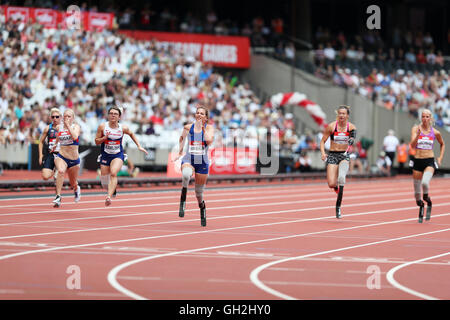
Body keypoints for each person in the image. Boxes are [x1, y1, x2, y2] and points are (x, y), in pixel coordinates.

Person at [95, 106, 148, 206]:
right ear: (108, 115)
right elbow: (96, 141)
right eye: (111, 113)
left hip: (117, 155)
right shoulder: (102, 127)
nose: (113, 115)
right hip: (105, 155)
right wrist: (104, 138)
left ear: (119, 117)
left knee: (113, 173)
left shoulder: (123, 128)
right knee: (104, 182)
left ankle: (108, 197)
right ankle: (111, 189)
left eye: (115, 114)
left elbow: (132, 134)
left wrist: (139, 146)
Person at [174, 105, 214, 227]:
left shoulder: (209, 128)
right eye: (197, 113)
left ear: (206, 118)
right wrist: (180, 151)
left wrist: (202, 128)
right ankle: (183, 197)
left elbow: (208, 141)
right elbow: (182, 138)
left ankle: (202, 207)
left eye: (202, 114)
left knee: (199, 194)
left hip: (202, 162)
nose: (199, 115)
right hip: (189, 158)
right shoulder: (188, 127)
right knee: (186, 175)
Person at [320, 105, 357, 219]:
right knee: (331, 183)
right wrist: (323, 153)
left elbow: (353, 137)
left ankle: (338, 207)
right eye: (340, 113)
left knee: (341, 178)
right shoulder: (331, 126)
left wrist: (351, 140)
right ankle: (336, 188)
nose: (341, 115)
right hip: (332, 155)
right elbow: (322, 141)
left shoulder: (351, 127)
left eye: (343, 113)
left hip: (344, 156)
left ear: (347, 115)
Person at [410, 109, 445, 223]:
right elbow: (412, 145)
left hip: (429, 161)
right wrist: (417, 136)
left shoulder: (435, 132)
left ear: (431, 118)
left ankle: (428, 201)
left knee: (425, 182)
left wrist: (440, 157)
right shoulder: (415, 129)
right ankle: (421, 205)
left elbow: (442, 144)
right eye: (423, 116)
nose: (424, 119)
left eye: (427, 117)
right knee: (416, 196)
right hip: (417, 161)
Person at [51, 109, 82, 207]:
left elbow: (74, 137)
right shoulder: (59, 127)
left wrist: (68, 126)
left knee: (73, 182)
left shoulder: (76, 127)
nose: (66, 118)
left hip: (74, 160)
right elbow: (58, 136)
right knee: (60, 171)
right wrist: (55, 145)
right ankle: (58, 196)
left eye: (69, 116)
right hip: (62, 156)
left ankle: (76, 189)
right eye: (65, 116)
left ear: (73, 118)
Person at [38, 108, 61, 186]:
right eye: (53, 117)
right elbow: (41, 142)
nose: (55, 119)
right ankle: (54, 170)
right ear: (50, 118)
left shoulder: (64, 128)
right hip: (50, 154)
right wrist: (41, 155)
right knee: (45, 177)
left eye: (57, 117)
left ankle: (58, 170)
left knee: (59, 174)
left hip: (61, 155)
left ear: (60, 117)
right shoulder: (47, 128)